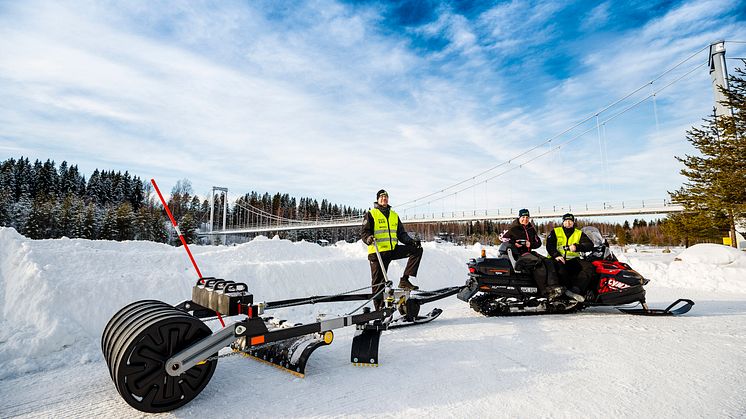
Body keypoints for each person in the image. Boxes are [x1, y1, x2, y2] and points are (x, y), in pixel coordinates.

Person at [361, 189, 423, 310]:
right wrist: (368, 238)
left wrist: (411, 241)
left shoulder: (394, 215)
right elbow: (364, 232)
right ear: (377, 199)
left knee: (417, 250)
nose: (384, 198)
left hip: (392, 250)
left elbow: (401, 234)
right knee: (378, 283)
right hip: (377, 253)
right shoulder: (371, 214)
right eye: (382, 197)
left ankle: (405, 280)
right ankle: (379, 310)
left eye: (386, 197)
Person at [501, 209, 564, 300]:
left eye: (527, 217)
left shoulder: (530, 228)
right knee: (538, 263)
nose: (525, 219)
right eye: (523, 217)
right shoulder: (513, 228)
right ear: (519, 217)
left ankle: (554, 286)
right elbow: (502, 238)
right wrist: (514, 243)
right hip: (518, 254)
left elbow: (538, 242)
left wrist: (530, 244)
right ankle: (544, 291)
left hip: (529, 252)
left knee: (548, 261)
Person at [545, 213, 595, 302]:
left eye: (570, 221)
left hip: (573, 260)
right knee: (561, 269)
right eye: (566, 221)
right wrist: (556, 255)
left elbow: (590, 245)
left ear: (573, 222)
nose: (568, 223)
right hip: (557, 259)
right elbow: (549, 245)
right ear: (563, 222)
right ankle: (563, 292)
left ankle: (576, 290)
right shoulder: (556, 231)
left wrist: (577, 247)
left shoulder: (578, 233)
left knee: (589, 266)